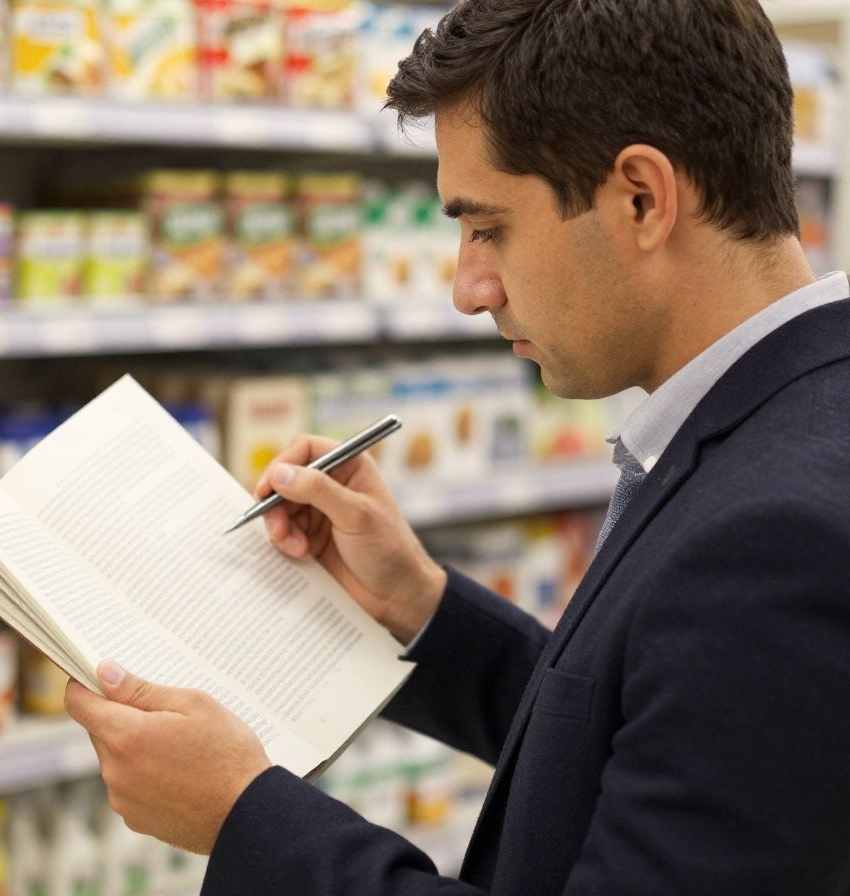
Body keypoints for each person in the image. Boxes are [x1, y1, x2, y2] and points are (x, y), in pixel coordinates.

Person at [64, 0, 850, 892]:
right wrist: (422, 607)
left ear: (642, 198)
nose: (467, 290)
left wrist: (246, 817)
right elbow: (664, 742)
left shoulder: (780, 536)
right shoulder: (790, 413)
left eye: (487, 228)